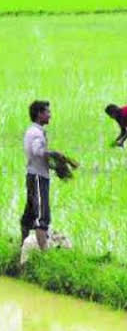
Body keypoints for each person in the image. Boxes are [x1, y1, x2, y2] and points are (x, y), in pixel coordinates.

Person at [21, 101, 63, 251]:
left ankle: (22, 248)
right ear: (39, 114)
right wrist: (56, 155)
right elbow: (38, 151)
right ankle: (45, 254)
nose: (50, 115)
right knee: (41, 217)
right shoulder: (37, 133)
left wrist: (53, 166)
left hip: (33, 174)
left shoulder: (32, 131)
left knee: (30, 213)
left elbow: (36, 156)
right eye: (47, 112)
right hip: (38, 177)